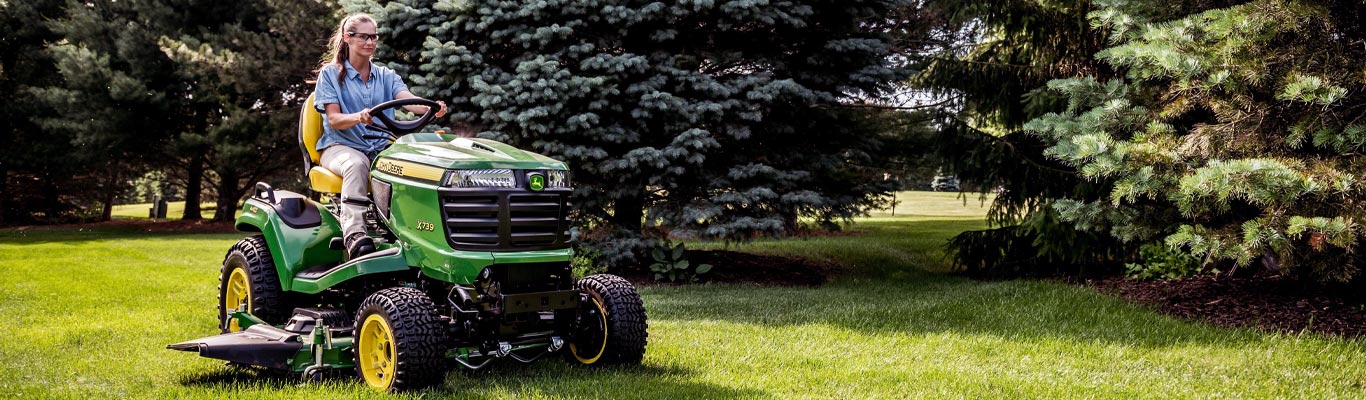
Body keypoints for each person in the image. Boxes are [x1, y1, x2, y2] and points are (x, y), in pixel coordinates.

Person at [313, 13, 446, 258]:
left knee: (414, 165)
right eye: (363, 37)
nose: (370, 42)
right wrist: (358, 116)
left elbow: (407, 100)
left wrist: (430, 108)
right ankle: (354, 234)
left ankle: (417, 233)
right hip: (340, 146)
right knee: (357, 164)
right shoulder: (330, 75)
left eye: (374, 36)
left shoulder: (386, 75)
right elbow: (334, 120)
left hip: (380, 148)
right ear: (347, 38)